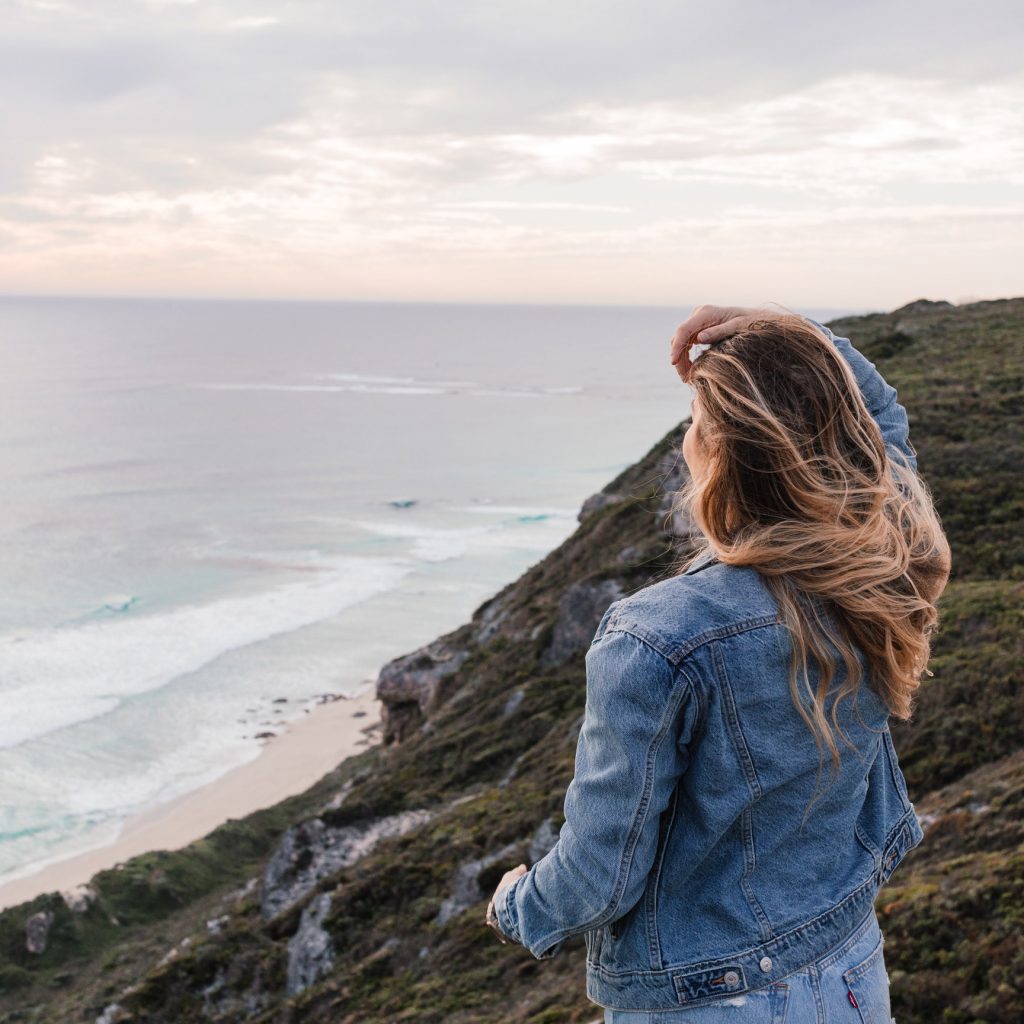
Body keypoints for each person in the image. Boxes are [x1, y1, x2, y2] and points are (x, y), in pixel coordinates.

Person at [483, 304, 951, 1022]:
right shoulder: (886, 562)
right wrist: (789, 334)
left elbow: (599, 877)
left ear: (724, 452)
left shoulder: (657, 635)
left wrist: (517, 903)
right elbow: (882, 419)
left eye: (697, 424)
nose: (686, 437)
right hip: (849, 973)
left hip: (708, 1004)